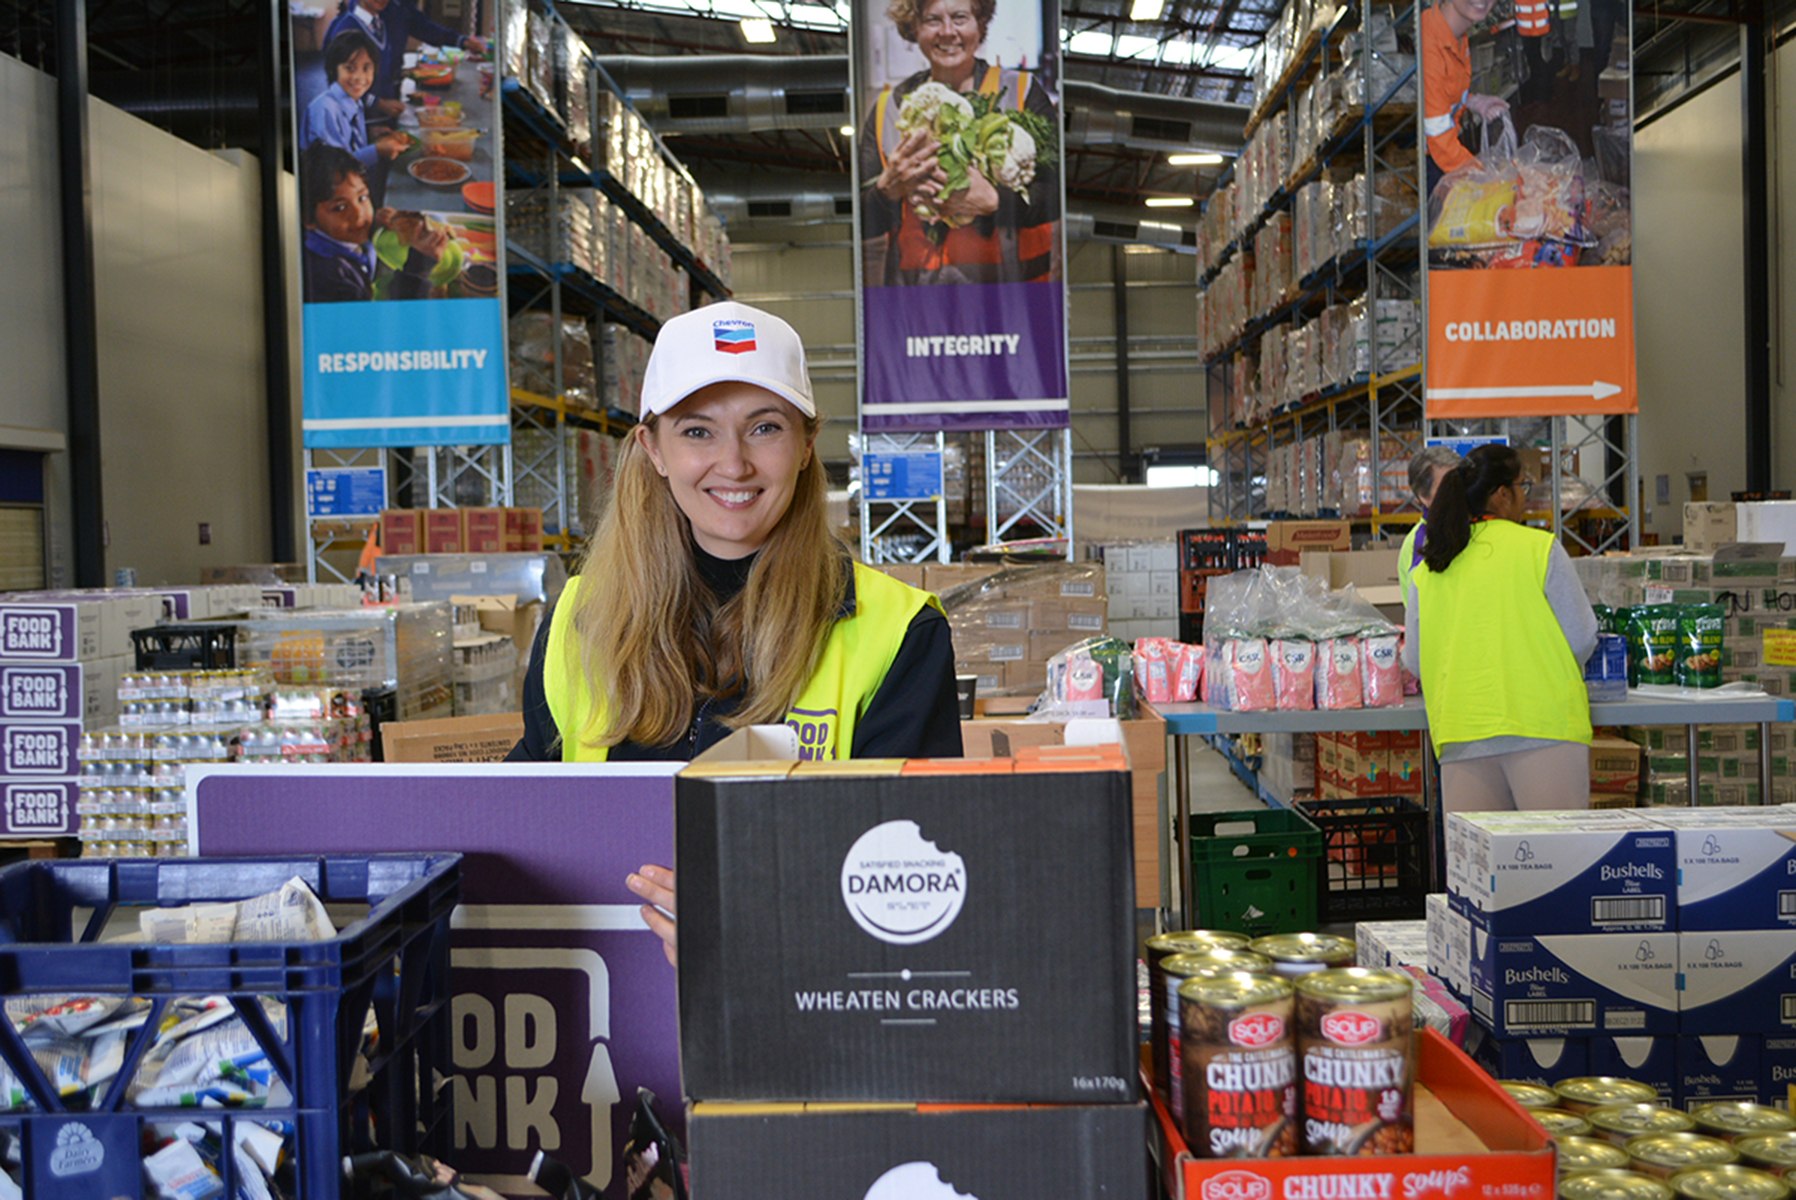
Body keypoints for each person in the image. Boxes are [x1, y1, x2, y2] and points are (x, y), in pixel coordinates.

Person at [506, 301, 963, 962]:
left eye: (764, 428)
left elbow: (922, 875)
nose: (734, 463)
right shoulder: (580, 620)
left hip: (807, 1007)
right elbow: (528, 826)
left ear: (806, 446)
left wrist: (757, 916)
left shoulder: (898, 631)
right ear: (652, 447)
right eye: (697, 432)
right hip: (604, 1009)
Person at [1401, 444, 1598, 811]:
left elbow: (1414, 659)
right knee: (1555, 864)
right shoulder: (1539, 549)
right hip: (1545, 730)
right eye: (1524, 486)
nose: (1526, 496)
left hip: (1461, 734)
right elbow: (1582, 637)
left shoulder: (1430, 567)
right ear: (1503, 494)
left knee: (1479, 867)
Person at [857, 0, 1060, 285]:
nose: (947, 32)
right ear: (914, 27)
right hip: (916, 303)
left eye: (960, 17)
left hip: (1011, 297)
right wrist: (885, 191)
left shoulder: (1021, 93)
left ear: (981, 24)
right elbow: (859, 218)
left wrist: (995, 201)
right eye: (932, 20)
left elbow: (1055, 195)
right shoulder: (888, 109)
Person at [300, 143, 447, 303]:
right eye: (340, 208)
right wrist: (418, 268)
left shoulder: (340, 236)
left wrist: (377, 222)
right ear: (308, 218)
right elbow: (390, 322)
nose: (359, 214)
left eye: (362, 198)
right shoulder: (331, 280)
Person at [1421, 0, 1511, 197]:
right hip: (1429, 164)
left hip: (1445, 156)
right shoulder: (1429, 42)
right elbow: (1439, 138)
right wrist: (1483, 177)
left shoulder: (1458, 32)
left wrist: (1473, 101)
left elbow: (1444, 91)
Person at [300, 30, 413, 173]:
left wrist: (368, 132)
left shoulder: (354, 101)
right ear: (333, 69)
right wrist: (376, 151)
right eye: (350, 68)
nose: (359, 77)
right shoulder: (325, 110)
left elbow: (345, 140)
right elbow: (335, 168)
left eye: (366, 68)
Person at [1395, 445, 1461, 598]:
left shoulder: (1473, 526)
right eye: (1447, 487)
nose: (1457, 492)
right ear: (1423, 496)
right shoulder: (1419, 544)